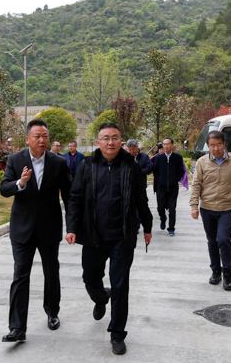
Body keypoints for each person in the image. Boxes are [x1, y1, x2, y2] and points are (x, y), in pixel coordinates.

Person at [65, 123, 153, 356]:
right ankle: (101, 297)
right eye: (106, 138)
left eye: (115, 138)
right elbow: (75, 198)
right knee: (90, 278)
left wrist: (147, 226)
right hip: (93, 236)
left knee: (120, 285)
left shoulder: (131, 166)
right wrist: (71, 227)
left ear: (120, 141)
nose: (110, 142)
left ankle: (117, 334)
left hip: (122, 237)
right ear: (98, 142)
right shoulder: (87, 165)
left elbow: (141, 199)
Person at [0, 119, 72, 343]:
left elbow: (69, 196)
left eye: (45, 136)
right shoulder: (15, 160)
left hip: (49, 227)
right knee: (20, 276)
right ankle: (17, 327)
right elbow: (4, 188)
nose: (42, 140)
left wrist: (72, 226)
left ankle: (52, 312)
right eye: (37, 136)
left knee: (51, 272)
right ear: (27, 139)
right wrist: (20, 184)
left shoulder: (58, 162)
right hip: (22, 228)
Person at [189, 130, 231, 291]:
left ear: (224, 144)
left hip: (226, 208)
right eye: (212, 145)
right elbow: (196, 185)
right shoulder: (202, 162)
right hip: (207, 208)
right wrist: (194, 206)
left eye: (219, 144)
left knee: (223, 239)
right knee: (212, 241)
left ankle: (227, 273)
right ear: (208, 146)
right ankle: (216, 271)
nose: (216, 148)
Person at [151, 137, 185, 236]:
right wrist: (159, 180)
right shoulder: (159, 158)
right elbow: (155, 170)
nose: (165, 146)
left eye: (168, 144)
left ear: (172, 145)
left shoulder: (178, 157)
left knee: (172, 208)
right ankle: (163, 219)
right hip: (161, 188)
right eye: (164, 144)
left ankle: (171, 228)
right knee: (160, 208)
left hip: (173, 188)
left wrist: (175, 179)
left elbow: (181, 170)